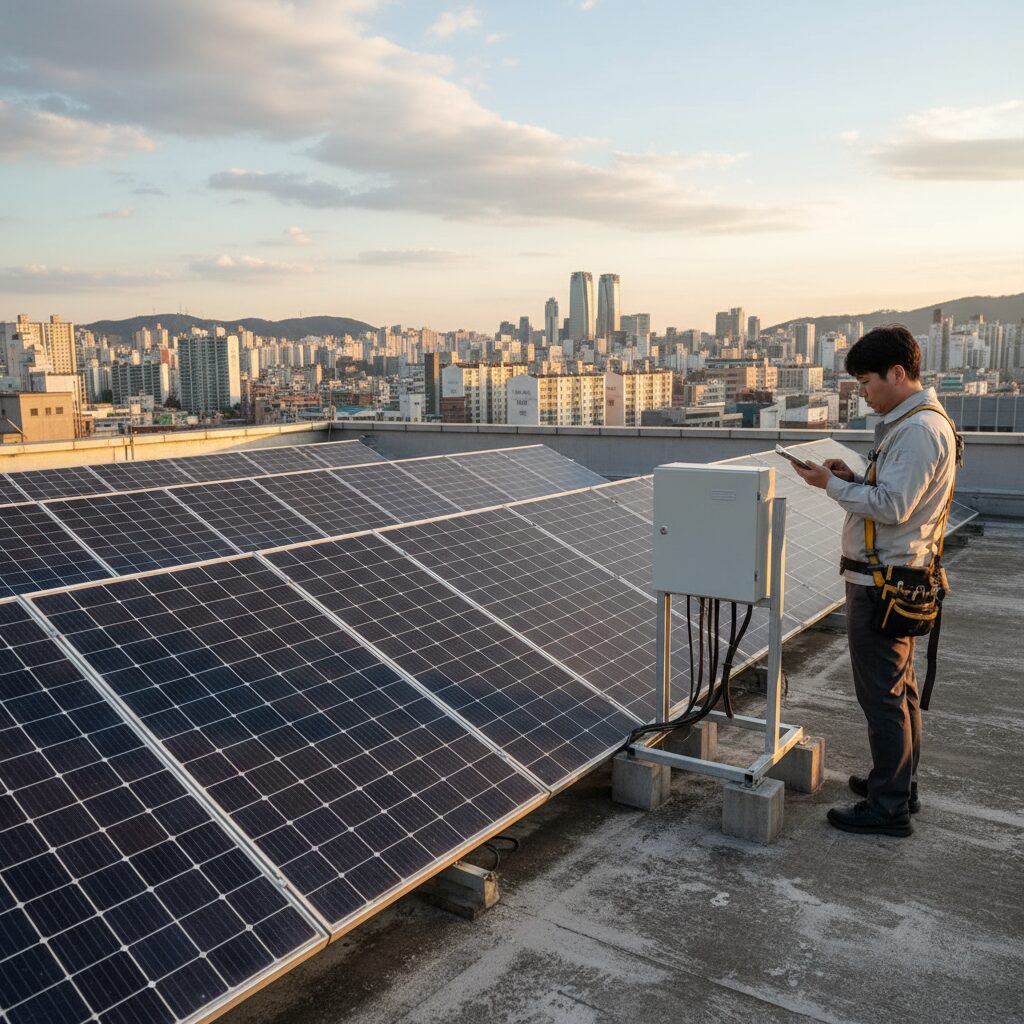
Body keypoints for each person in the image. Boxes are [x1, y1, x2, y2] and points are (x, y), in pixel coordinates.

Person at [793, 324, 957, 837]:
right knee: (899, 689)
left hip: (883, 580)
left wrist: (831, 488)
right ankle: (897, 784)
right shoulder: (918, 423)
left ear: (898, 373)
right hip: (897, 574)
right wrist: (854, 477)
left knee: (882, 695)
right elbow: (893, 491)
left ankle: (889, 808)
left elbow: (893, 506)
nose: (863, 394)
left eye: (866, 382)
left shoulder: (918, 430)